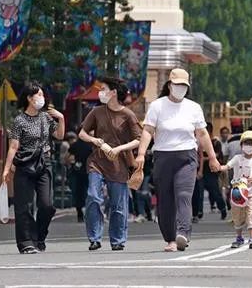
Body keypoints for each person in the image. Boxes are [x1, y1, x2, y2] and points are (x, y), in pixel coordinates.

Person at [136, 69, 221, 252]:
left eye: (184, 85)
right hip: (163, 157)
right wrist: (141, 154)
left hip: (186, 157)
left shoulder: (194, 107)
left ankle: (183, 233)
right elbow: (147, 131)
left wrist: (212, 157)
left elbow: (202, 134)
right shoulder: (157, 106)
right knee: (165, 200)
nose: (180, 88)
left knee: (183, 195)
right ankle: (170, 239)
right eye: (177, 85)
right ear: (169, 85)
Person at [77, 77, 141, 251]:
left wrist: (120, 148)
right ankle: (94, 238)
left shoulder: (128, 115)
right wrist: (96, 140)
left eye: (104, 88)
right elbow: (82, 133)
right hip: (97, 161)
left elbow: (138, 139)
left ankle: (118, 240)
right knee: (93, 196)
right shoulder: (96, 112)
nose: (101, 91)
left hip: (118, 164)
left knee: (118, 205)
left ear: (113, 92)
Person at [2, 82, 65, 254]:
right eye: (38, 95)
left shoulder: (46, 117)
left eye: (42, 95)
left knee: (47, 205)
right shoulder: (19, 120)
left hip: (44, 163)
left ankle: (39, 236)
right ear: (29, 98)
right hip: (24, 165)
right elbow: (13, 147)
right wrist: (7, 169)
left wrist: (61, 118)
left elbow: (59, 135)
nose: (41, 98)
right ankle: (26, 243)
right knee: (24, 206)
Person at [220, 130, 252, 249]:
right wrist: (218, 167)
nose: (248, 146)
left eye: (251, 144)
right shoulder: (237, 158)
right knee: (237, 216)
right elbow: (227, 166)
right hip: (238, 193)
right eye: (246, 143)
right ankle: (239, 237)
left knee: (251, 214)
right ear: (241, 146)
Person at [64, 130, 93, 222]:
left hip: (77, 170)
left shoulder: (75, 145)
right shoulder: (91, 145)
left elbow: (66, 157)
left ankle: (79, 212)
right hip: (88, 171)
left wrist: (69, 164)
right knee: (89, 192)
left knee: (77, 193)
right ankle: (89, 212)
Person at [202, 126, 228, 220]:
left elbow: (217, 154)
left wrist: (205, 158)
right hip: (202, 170)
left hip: (212, 171)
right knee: (199, 191)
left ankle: (222, 208)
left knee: (215, 191)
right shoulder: (200, 142)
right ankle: (197, 212)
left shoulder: (215, 142)